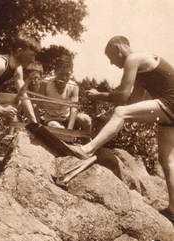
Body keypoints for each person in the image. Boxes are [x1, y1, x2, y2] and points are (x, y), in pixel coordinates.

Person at [71, 36, 174, 224]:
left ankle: (86, 149)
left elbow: (123, 96)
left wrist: (99, 95)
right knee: (166, 160)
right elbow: (133, 101)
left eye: (111, 57)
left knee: (121, 112)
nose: (112, 63)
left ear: (118, 49)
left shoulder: (132, 59)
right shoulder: (142, 65)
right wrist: (108, 116)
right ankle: (173, 210)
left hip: (171, 103)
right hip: (170, 107)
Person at [37, 56, 92, 132]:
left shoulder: (74, 86)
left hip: (67, 119)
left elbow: (74, 109)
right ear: (55, 72)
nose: (64, 78)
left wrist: (69, 130)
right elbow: (36, 104)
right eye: (61, 74)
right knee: (57, 127)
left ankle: (85, 142)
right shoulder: (46, 83)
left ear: (71, 73)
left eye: (67, 74)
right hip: (51, 120)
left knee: (86, 120)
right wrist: (37, 125)